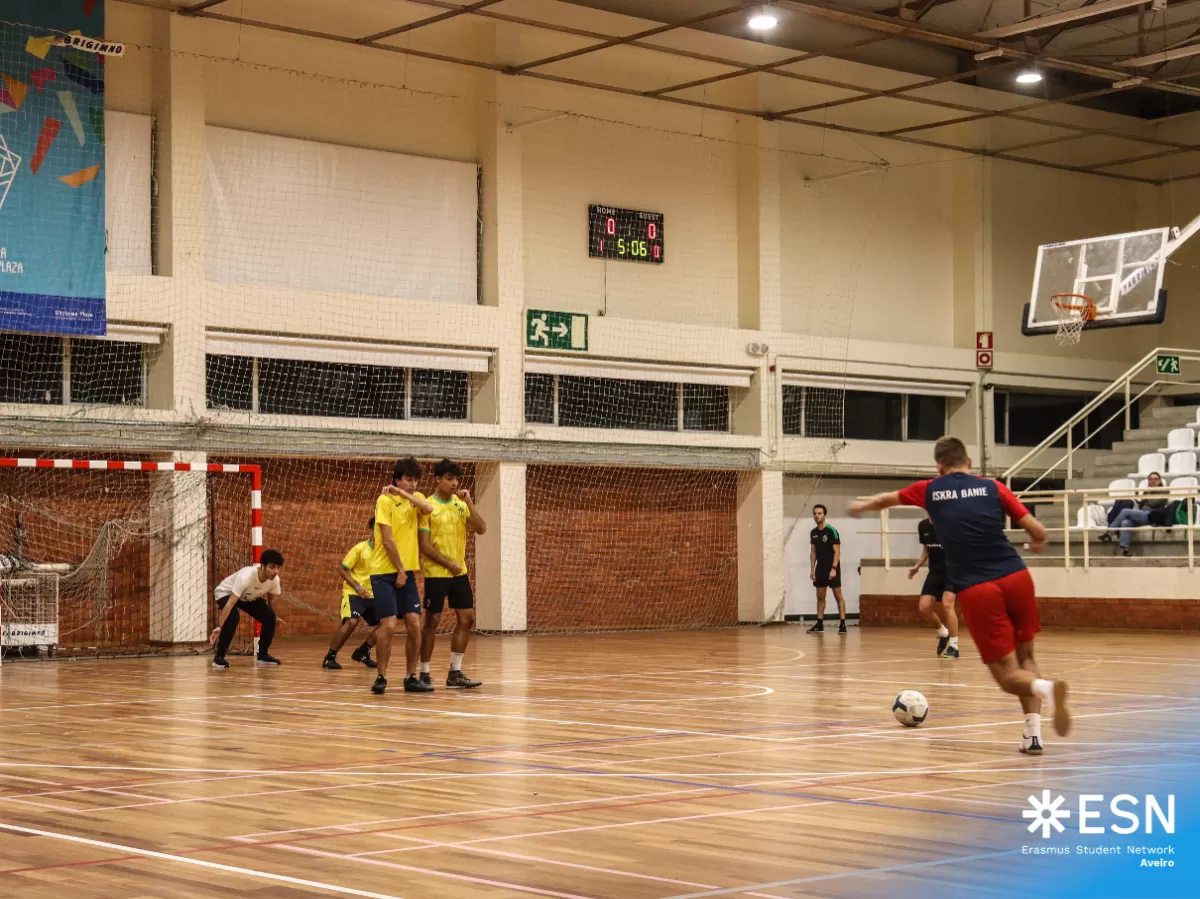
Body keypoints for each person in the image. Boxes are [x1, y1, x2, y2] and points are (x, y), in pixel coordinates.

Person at [849, 436, 1071, 755]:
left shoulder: (930, 489)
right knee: (1027, 658)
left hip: (980, 587)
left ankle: (1047, 689)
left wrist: (860, 506)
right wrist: (1036, 543)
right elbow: (1038, 531)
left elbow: (886, 499)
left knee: (1008, 675)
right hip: (1017, 577)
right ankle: (1032, 734)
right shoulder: (994, 487)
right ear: (969, 462)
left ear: (939, 467)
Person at [418, 459, 486, 690]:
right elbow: (425, 546)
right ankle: (424, 671)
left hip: (459, 574)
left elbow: (481, 528)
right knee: (432, 621)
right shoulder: (426, 506)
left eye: (456, 479)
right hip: (437, 573)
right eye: (449, 478)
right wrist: (449, 564)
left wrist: (469, 502)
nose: (454, 483)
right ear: (437, 479)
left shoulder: (460, 504)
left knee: (467, 619)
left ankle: (455, 672)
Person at [369, 457, 434, 695]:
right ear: (397, 478)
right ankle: (381, 676)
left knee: (415, 624)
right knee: (388, 625)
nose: (414, 483)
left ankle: (410, 676)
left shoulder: (417, 501)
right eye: (408, 479)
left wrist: (404, 493)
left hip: (406, 573)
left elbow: (428, 508)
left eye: (416, 479)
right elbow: (386, 539)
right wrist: (400, 570)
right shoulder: (384, 500)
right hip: (385, 573)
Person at [210, 550, 285, 668]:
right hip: (227, 592)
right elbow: (230, 604)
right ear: (263, 566)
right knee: (233, 616)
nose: (275, 571)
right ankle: (219, 657)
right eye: (271, 567)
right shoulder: (246, 577)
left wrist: (273, 616)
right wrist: (219, 626)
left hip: (247, 596)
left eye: (278, 568)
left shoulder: (275, 580)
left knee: (270, 617)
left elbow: (271, 601)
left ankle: (263, 655)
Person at [323, 517, 380, 670]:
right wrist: (357, 587)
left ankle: (363, 652)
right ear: (372, 529)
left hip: (374, 595)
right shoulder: (360, 548)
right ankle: (330, 657)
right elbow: (342, 569)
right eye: (376, 527)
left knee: (387, 625)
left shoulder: (387, 551)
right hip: (354, 592)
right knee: (351, 622)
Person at [908, 515, 959, 658]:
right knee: (924, 607)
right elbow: (926, 550)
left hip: (953, 572)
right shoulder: (923, 525)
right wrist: (917, 567)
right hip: (935, 572)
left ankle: (954, 646)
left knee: (947, 604)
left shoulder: (951, 523)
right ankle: (943, 633)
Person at [1102, 471, 1167, 556]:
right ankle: (1125, 549)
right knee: (1125, 523)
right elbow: (1143, 505)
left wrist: (1147, 495)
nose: (1153, 481)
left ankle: (1109, 533)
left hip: (1152, 516)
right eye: (1150, 479)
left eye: (1155, 479)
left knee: (1125, 511)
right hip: (1142, 514)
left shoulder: (1164, 491)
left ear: (1160, 481)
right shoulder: (1146, 492)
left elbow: (1153, 503)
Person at [807, 504, 846, 634]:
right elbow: (813, 552)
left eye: (819, 513)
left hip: (832, 568)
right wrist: (812, 570)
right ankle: (819, 624)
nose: (817, 516)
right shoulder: (813, 533)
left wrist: (834, 568)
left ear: (824, 515)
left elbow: (837, 552)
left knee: (838, 595)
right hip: (820, 569)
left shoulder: (831, 531)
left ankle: (842, 624)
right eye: (815, 513)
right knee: (820, 596)